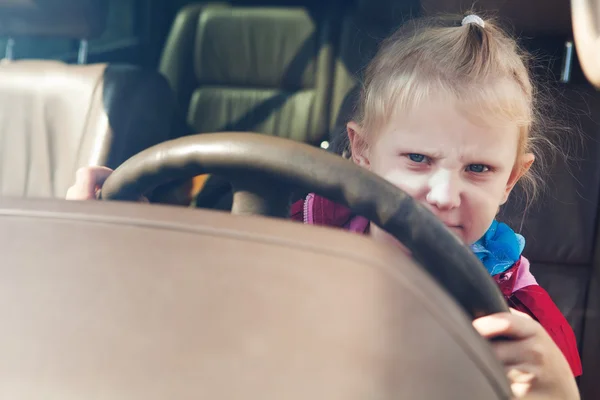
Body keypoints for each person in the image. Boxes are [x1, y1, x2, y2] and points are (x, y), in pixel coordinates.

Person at [66, 13, 581, 400]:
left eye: (479, 170)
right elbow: (197, 293)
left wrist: (557, 388)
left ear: (512, 179)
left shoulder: (517, 307)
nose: (445, 196)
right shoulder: (302, 233)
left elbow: (544, 380)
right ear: (361, 153)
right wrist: (115, 234)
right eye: (418, 159)